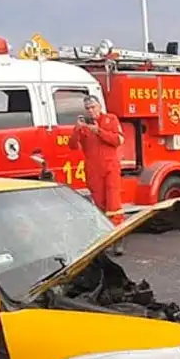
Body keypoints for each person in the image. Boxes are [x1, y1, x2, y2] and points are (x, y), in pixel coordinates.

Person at [69, 95, 125, 254]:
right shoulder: (84, 126)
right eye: (88, 108)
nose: (91, 111)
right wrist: (77, 130)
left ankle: (118, 239)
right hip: (93, 170)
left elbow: (118, 140)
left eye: (93, 107)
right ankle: (105, 240)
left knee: (114, 204)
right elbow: (72, 146)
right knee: (99, 207)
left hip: (110, 167)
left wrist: (99, 131)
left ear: (99, 106)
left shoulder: (110, 119)